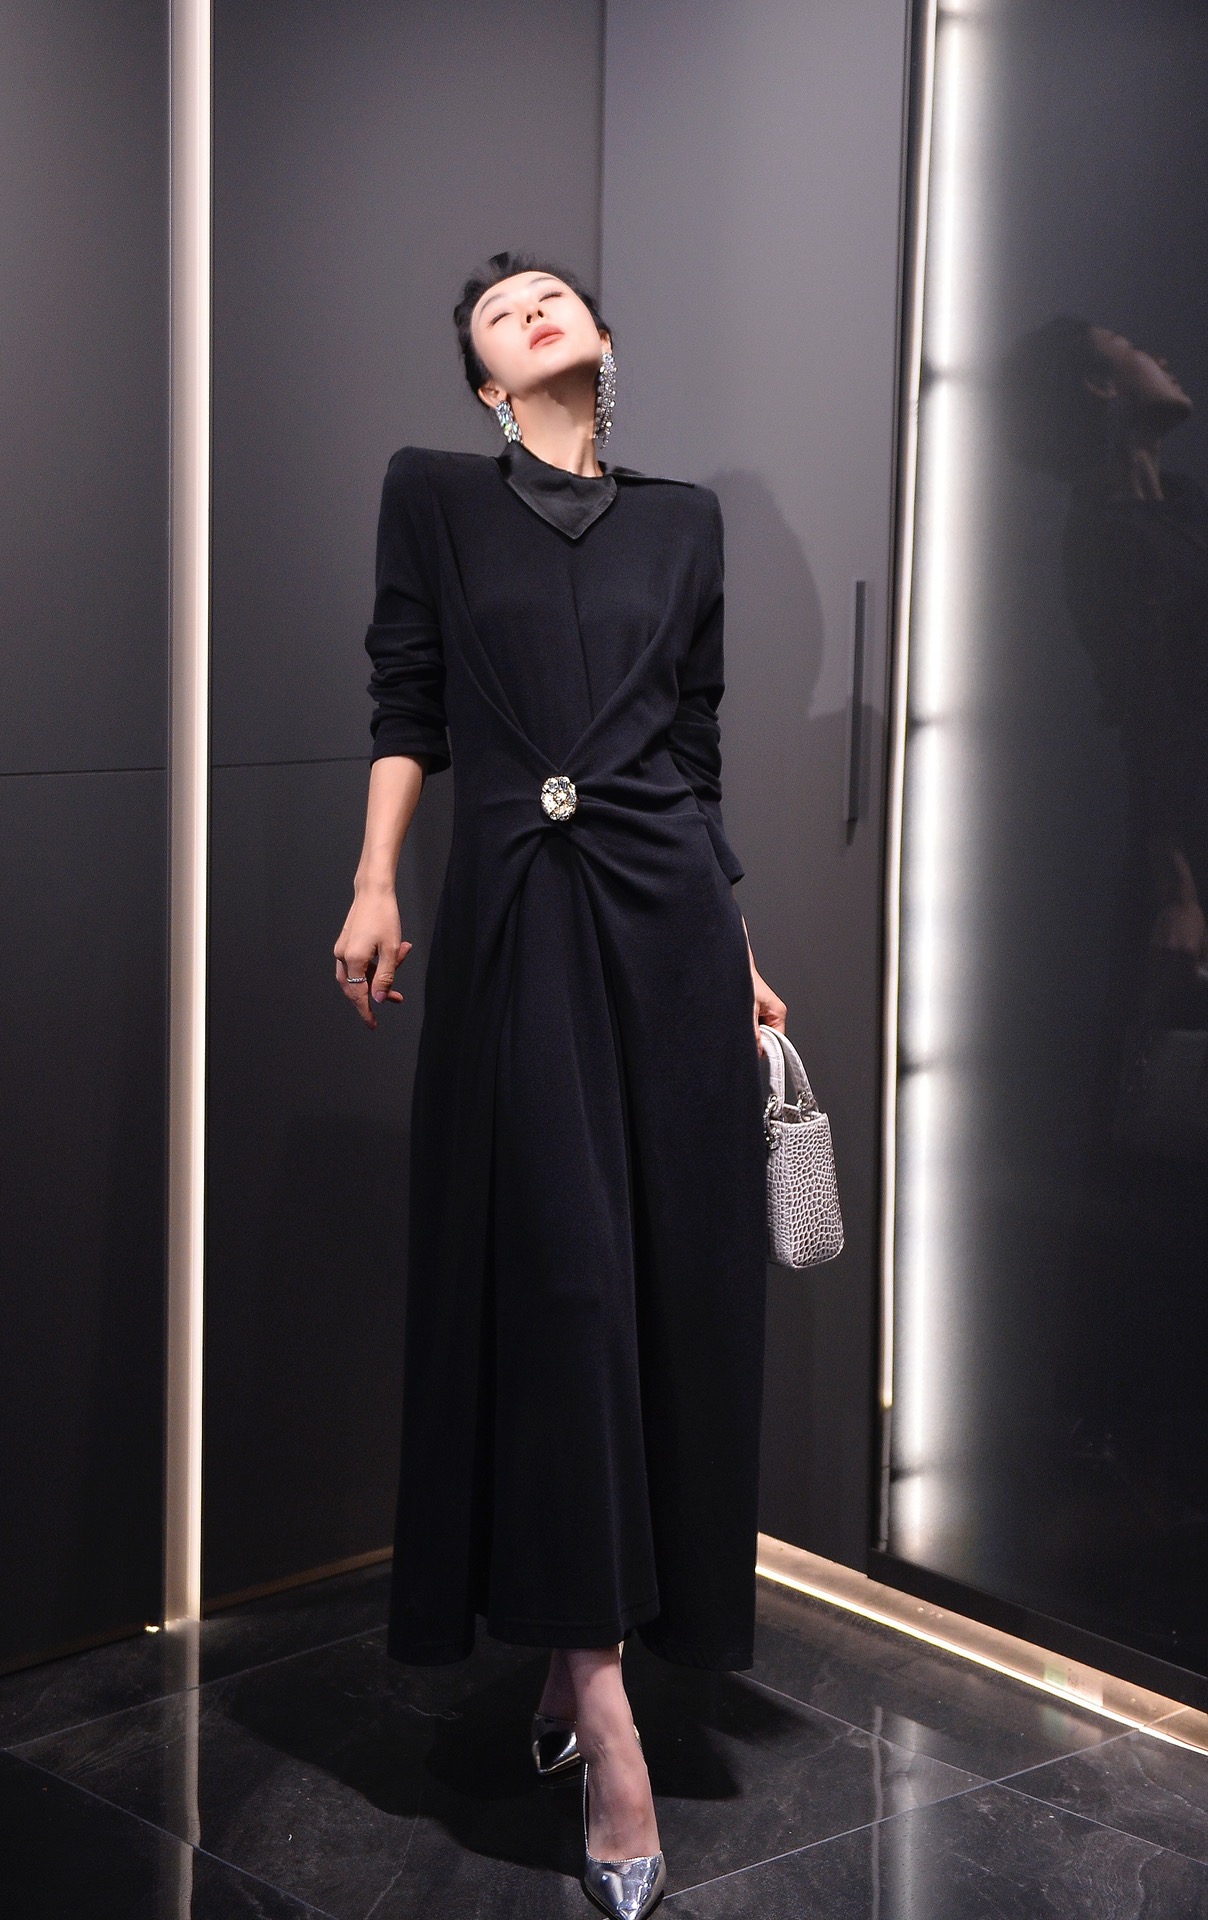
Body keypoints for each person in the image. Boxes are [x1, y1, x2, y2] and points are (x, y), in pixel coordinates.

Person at [334, 251, 785, 1918]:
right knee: (565, 1287)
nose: (531, 307)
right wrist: (376, 881)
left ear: (601, 339)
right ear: (482, 384)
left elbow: (695, 751)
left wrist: (738, 944)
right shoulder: (437, 495)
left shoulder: (685, 525)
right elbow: (410, 699)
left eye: (552, 294)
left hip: (670, 924)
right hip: (520, 912)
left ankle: (572, 1646)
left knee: (666, 1285)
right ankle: (605, 1725)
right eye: (498, 309)